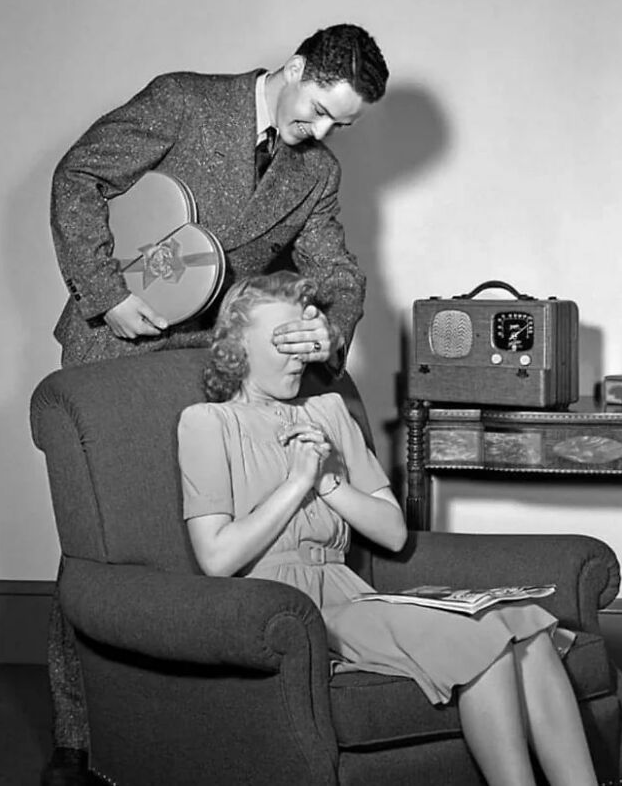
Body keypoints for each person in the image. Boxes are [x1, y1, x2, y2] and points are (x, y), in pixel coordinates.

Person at [44, 24, 389, 784]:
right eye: (318, 110)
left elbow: (336, 269)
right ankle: (78, 740)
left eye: (341, 123)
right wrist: (106, 296)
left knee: (199, 530)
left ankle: (189, 719)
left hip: (209, 363)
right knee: (103, 543)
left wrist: (323, 328)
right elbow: (79, 176)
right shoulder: (184, 101)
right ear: (295, 67)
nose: (323, 132)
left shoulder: (317, 173)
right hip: (115, 346)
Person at [177, 271, 598, 786]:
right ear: (238, 345)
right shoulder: (207, 424)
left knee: (525, 627)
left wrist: (331, 486)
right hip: (286, 609)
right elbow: (217, 559)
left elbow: (393, 533)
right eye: (281, 340)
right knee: (484, 641)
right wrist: (297, 483)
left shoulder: (328, 410)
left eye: (304, 340)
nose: (299, 355)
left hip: (354, 596)